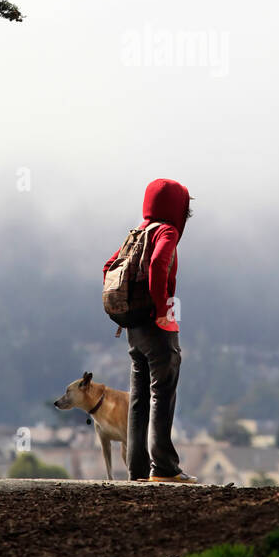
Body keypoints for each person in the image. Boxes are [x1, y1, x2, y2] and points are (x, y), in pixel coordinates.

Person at [104, 178, 196, 483]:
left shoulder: (138, 231)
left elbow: (109, 267)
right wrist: (161, 311)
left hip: (134, 327)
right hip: (157, 326)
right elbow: (158, 263)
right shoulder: (166, 231)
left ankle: (138, 471)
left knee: (139, 397)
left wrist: (132, 307)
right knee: (162, 393)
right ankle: (165, 469)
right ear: (177, 207)